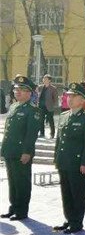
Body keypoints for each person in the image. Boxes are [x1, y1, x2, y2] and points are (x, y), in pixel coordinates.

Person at [53, 82, 85, 234]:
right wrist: (56, 158)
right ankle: (69, 219)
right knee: (66, 192)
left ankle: (77, 222)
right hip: (64, 160)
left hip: (77, 163)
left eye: (74, 96)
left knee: (77, 193)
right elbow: (59, 140)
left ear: (82, 100)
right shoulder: (64, 116)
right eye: (68, 96)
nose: (69, 99)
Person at [0, 76, 41, 220]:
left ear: (29, 93)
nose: (17, 92)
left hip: (21, 152)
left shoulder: (33, 110)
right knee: (13, 181)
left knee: (22, 182)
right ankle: (13, 208)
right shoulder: (14, 106)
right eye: (16, 89)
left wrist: (27, 152)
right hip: (10, 150)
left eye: (22, 89)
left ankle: (22, 211)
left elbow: (31, 134)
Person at [37, 74, 58, 138]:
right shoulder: (40, 87)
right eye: (43, 78)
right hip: (41, 106)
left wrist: (54, 105)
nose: (44, 80)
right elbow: (38, 95)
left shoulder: (53, 88)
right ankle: (42, 133)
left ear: (49, 80)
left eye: (46, 79)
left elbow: (55, 98)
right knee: (41, 120)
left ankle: (52, 134)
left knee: (51, 120)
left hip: (49, 107)